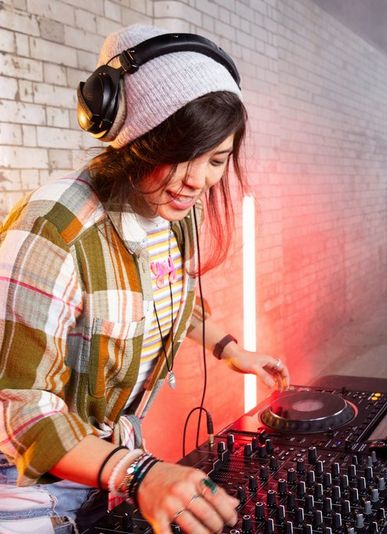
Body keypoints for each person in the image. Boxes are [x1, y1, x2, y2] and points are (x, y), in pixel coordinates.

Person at [0, 24, 290, 534]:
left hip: (104, 474)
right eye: (182, 157)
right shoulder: (54, 230)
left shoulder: (169, 214)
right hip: (24, 492)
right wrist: (136, 473)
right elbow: (17, 407)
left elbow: (164, 295)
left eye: (217, 160)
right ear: (134, 140)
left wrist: (230, 350)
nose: (198, 181)